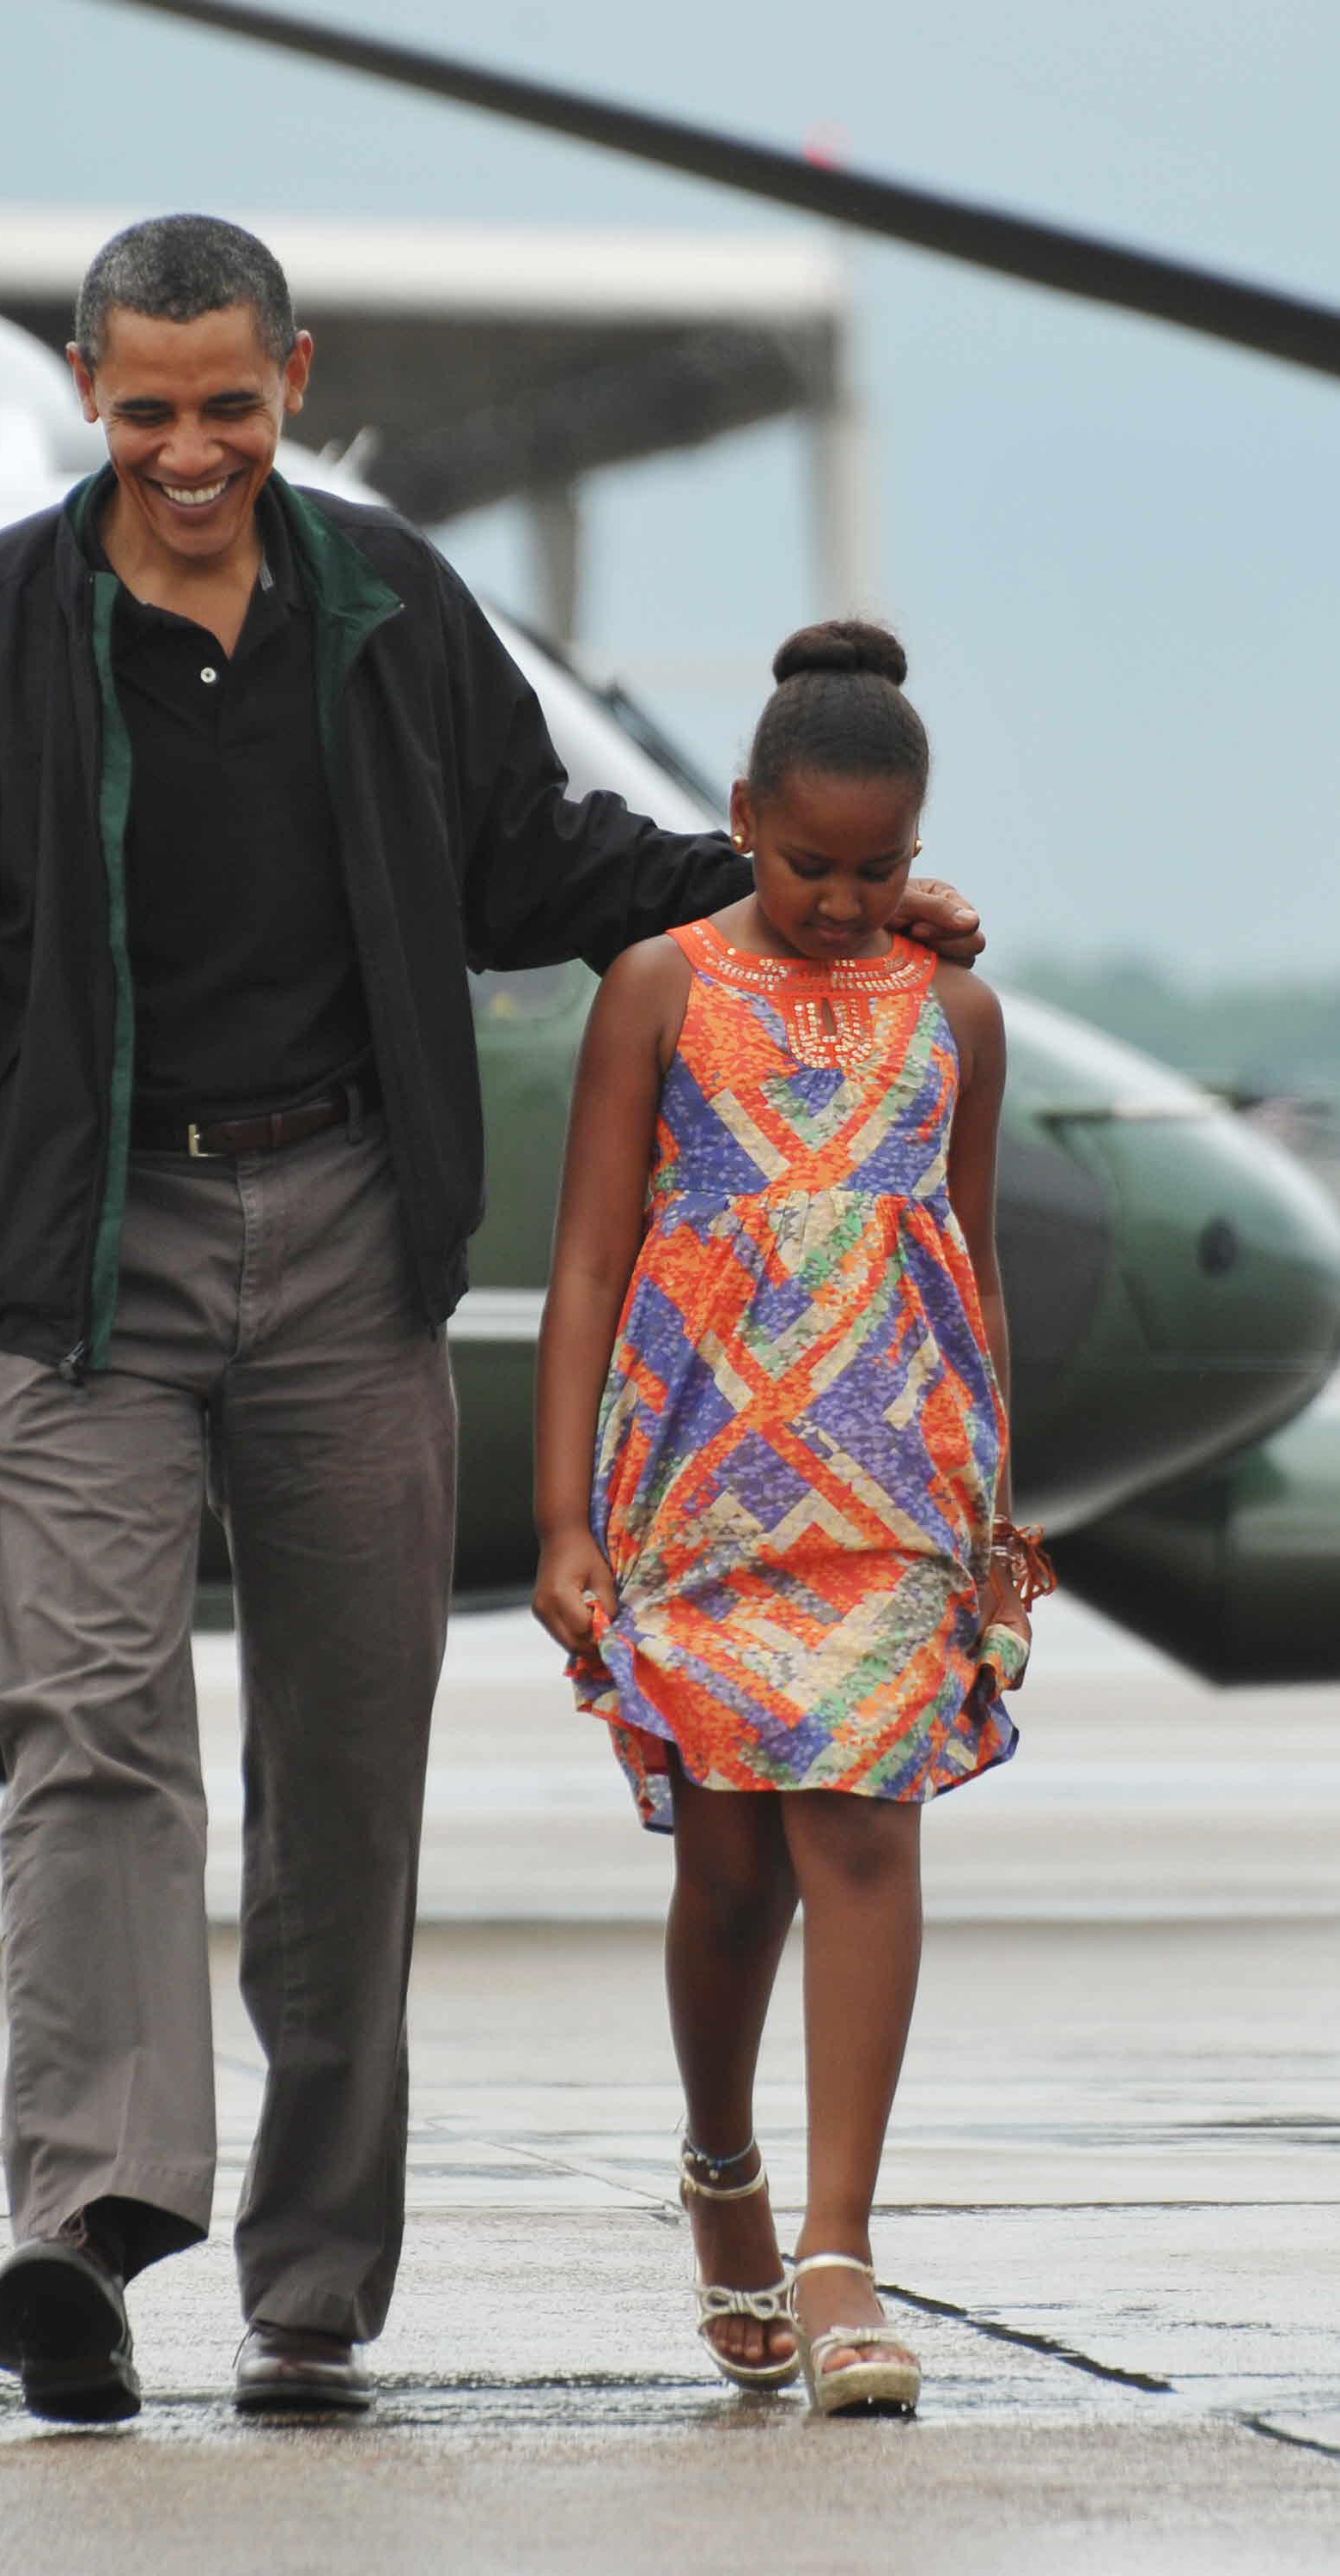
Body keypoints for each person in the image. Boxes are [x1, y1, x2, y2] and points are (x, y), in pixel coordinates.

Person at [0, 216, 988, 2426]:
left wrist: (809, 897)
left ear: (292, 379)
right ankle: (92, 2225)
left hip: (340, 1228)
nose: (189, 453)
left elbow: (525, 862)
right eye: (145, 411)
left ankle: (309, 2288)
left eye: (228, 406)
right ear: (86, 395)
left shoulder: (390, 610)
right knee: (92, 1739)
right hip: (75, 1252)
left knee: (346, 1777)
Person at [532, 621, 1049, 2417]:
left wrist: (992, 1504)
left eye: (880, 868)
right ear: (741, 816)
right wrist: (559, 1519)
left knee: (864, 1833)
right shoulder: (656, 989)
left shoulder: (957, 1015)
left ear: (923, 847)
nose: (844, 901)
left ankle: (840, 2249)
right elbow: (591, 1252)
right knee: (729, 1871)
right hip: (698, 1478)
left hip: (897, 1480)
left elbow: (962, 1266)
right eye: (810, 863)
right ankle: (720, 2169)